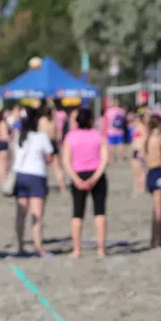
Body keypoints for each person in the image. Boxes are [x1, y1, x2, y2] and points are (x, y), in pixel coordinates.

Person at [61, 107, 110, 258]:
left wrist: (76, 179)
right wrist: (95, 177)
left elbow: (66, 161)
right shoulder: (98, 135)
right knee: (99, 212)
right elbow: (105, 159)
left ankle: (77, 249)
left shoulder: (70, 137)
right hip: (96, 174)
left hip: (78, 175)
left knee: (77, 213)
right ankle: (101, 249)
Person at [12, 107, 54, 257]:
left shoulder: (18, 137)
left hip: (21, 176)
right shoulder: (41, 137)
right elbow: (49, 158)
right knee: (37, 214)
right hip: (37, 175)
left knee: (21, 213)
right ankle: (38, 246)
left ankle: (20, 246)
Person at [143, 114, 161, 249]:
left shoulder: (147, 138)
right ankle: (156, 242)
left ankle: (156, 239)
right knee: (159, 211)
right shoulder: (159, 137)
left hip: (150, 173)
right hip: (158, 172)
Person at [38, 106, 67, 194]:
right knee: (57, 167)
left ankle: (43, 187)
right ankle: (63, 188)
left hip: (44, 143)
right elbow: (59, 135)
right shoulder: (54, 121)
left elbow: (40, 133)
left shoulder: (42, 120)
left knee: (43, 168)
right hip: (53, 143)